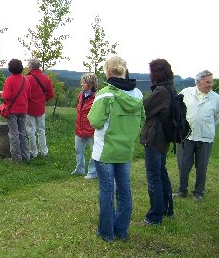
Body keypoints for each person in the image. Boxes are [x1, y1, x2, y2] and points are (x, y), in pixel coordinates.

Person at [87, 56, 145, 241]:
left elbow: (95, 121)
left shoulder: (105, 94)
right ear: (124, 70)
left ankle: (106, 233)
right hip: (125, 150)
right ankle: (121, 230)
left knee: (106, 190)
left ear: (108, 71)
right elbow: (142, 120)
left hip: (105, 150)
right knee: (124, 190)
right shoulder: (137, 95)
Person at [139, 59, 175, 225]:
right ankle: (168, 209)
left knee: (154, 178)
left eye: (151, 71)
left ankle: (154, 217)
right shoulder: (170, 88)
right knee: (162, 174)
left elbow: (144, 109)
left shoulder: (160, 92)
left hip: (154, 138)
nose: (149, 74)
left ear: (156, 73)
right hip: (163, 139)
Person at [174, 70, 219, 201]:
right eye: (208, 82)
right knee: (183, 164)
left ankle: (198, 192)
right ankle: (182, 191)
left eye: (212, 82)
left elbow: (216, 117)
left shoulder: (216, 98)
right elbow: (177, 110)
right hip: (186, 136)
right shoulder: (186, 93)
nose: (211, 85)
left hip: (205, 137)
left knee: (202, 166)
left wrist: (205, 125)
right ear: (198, 82)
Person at [0, 59, 31, 162]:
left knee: (14, 134)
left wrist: (2, 93)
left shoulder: (9, 80)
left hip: (12, 110)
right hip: (23, 109)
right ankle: (26, 155)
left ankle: (17, 158)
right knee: (22, 132)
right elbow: (29, 94)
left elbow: (7, 96)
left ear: (10, 68)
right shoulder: (25, 80)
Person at [25, 58, 55, 158]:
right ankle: (44, 151)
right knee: (41, 130)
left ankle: (33, 152)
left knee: (31, 130)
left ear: (31, 66)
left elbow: (24, 94)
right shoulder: (46, 78)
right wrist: (43, 99)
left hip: (29, 108)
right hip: (41, 108)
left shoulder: (27, 79)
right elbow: (51, 94)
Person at [71, 72, 98, 179]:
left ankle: (92, 172)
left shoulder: (97, 97)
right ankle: (79, 170)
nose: (82, 84)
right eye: (82, 82)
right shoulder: (80, 95)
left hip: (92, 130)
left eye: (84, 82)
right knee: (78, 150)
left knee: (94, 152)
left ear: (91, 84)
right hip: (80, 128)